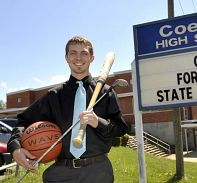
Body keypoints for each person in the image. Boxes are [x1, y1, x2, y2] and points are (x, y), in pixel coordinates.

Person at [8, 35, 129, 183]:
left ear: (92, 58)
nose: (78, 57)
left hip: (98, 172)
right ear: (66, 57)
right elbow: (23, 120)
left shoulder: (106, 93)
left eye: (84, 53)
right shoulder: (53, 96)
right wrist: (15, 147)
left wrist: (97, 122)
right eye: (73, 53)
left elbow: (121, 128)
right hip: (61, 173)